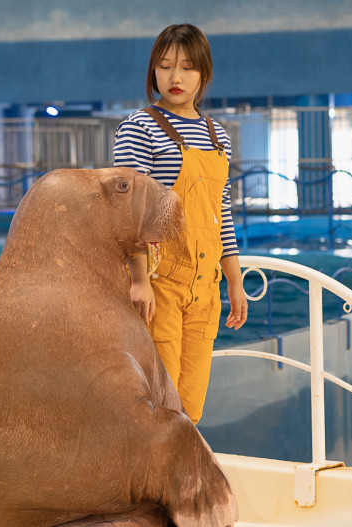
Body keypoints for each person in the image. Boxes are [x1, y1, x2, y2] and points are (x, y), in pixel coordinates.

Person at [113, 23, 248, 424]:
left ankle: (171, 485)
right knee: (156, 402)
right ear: (153, 71)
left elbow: (220, 213)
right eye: (165, 66)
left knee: (190, 406)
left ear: (203, 74)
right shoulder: (140, 127)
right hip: (161, 283)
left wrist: (235, 281)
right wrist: (139, 280)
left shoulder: (216, 134)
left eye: (187, 67)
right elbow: (129, 212)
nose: (175, 77)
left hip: (205, 288)